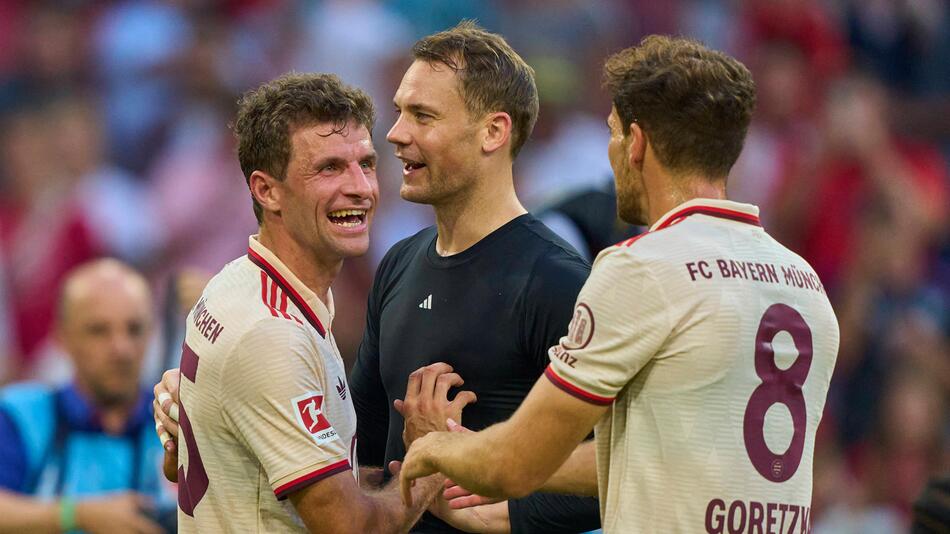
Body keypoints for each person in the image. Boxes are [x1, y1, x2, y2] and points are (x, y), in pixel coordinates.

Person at [399, 35, 840, 533]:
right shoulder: (804, 282)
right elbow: (672, 452)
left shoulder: (643, 268)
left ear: (637, 143)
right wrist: (495, 503)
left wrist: (436, 446)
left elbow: (515, 463)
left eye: (612, 133)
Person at [157, 72, 473, 533]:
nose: (361, 188)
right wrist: (429, 459)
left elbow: (189, 462)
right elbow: (349, 527)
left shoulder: (234, 285)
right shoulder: (271, 335)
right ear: (267, 191)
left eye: (365, 164)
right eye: (329, 168)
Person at [351, 21, 598, 533]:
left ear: (493, 132)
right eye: (399, 111)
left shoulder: (556, 281)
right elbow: (363, 450)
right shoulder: (397, 263)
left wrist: (496, 513)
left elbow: (620, 464)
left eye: (422, 115)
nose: (396, 133)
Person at [0, 258, 175, 533]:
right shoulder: (21, 415)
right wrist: (77, 516)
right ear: (62, 337)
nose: (122, 349)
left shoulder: (179, 419)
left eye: (134, 329)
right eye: (98, 331)